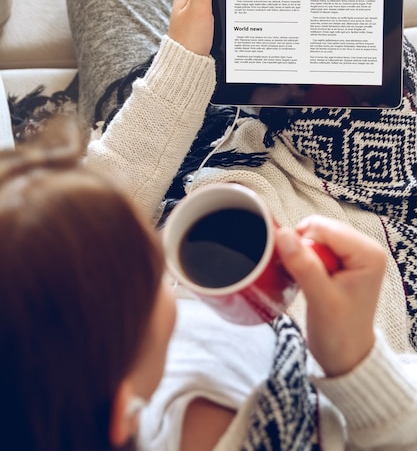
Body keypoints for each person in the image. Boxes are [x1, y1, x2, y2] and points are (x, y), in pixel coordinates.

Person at [1, 116, 417, 451]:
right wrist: (357, 362)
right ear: (123, 412)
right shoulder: (289, 429)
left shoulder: (82, 386)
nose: (165, 246)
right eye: (153, 275)